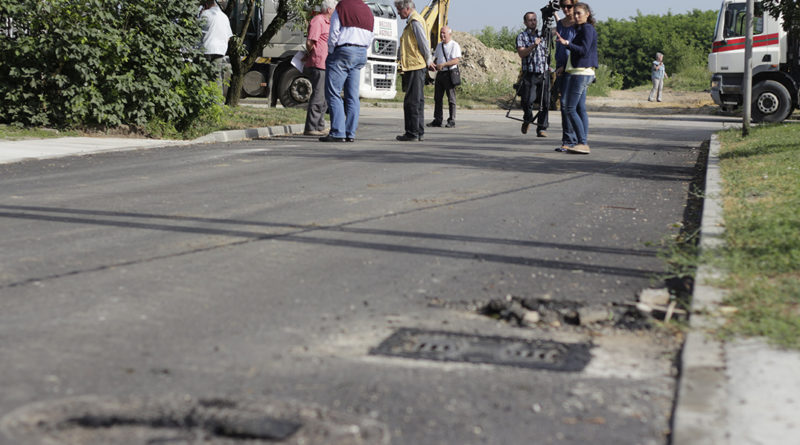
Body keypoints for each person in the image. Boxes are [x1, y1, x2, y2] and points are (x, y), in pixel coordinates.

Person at [320, 0, 374, 143]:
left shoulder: (342, 6)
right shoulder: (368, 10)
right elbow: (371, 36)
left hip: (343, 51)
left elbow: (334, 31)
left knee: (333, 92)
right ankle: (350, 132)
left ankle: (338, 131)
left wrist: (331, 51)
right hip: (361, 52)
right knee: (352, 95)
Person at [555, 2, 597, 155]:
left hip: (581, 73)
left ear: (587, 14)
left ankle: (582, 143)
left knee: (569, 107)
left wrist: (567, 44)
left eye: (579, 13)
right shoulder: (583, 29)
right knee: (580, 108)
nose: (577, 16)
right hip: (579, 71)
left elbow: (584, 50)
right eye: (576, 13)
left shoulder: (586, 28)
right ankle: (581, 142)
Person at [395, 0, 433, 142]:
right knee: (417, 100)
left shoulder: (415, 21)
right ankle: (418, 131)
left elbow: (423, 43)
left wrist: (428, 59)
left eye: (399, 9)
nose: (398, 12)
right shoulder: (413, 22)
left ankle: (412, 132)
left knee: (412, 101)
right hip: (414, 65)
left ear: (407, 8)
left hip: (415, 65)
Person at [303, 0, 336, 136]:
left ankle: (319, 125)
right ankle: (311, 127)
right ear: (329, 9)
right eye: (335, 9)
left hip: (326, 64)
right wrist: (312, 53)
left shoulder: (328, 22)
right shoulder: (318, 21)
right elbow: (310, 41)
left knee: (324, 97)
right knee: (318, 96)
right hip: (318, 63)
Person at [516, 12, 549, 138]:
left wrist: (554, 14)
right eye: (530, 20)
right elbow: (522, 53)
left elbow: (558, 30)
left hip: (543, 72)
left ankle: (541, 128)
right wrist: (533, 45)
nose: (533, 22)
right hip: (530, 73)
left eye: (535, 20)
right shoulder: (522, 36)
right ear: (525, 22)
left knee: (544, 102)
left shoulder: (543, 34)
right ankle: (528, 119)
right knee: (527, 101)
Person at [554, 0, 577, 152]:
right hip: (560, 67)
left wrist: (564, 66)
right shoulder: (561, 24)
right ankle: (571, 139)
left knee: (566, 104)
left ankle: (570, 140)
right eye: (563, 6)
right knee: (565, 105)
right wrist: (552, 10)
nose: (566, 9)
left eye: (569, 6)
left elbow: (577, 48)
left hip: (572, 68)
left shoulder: (578, 24)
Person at [427, 26, 461, 128]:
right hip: (440, 74)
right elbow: (437, 58)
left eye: (444, 33)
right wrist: (433, 65)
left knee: (451, 98)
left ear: (449, 34)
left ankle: (452, 120)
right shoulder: (439, 46)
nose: (442, 35)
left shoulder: (454, 45)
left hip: (449, 73)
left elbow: (456, 60)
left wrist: (444, 64)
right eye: (441, 33)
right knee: (437, 98)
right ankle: (438, 119)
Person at [199, 0, 233, 98]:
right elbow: (229, 37)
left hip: (206, 49)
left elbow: (197, 30)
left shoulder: (206, 14)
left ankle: (203, 100)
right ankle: (218, 103)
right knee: (216, 78)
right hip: (220, 51)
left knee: (203, 78)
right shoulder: (224, 17)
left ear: (206, 5)